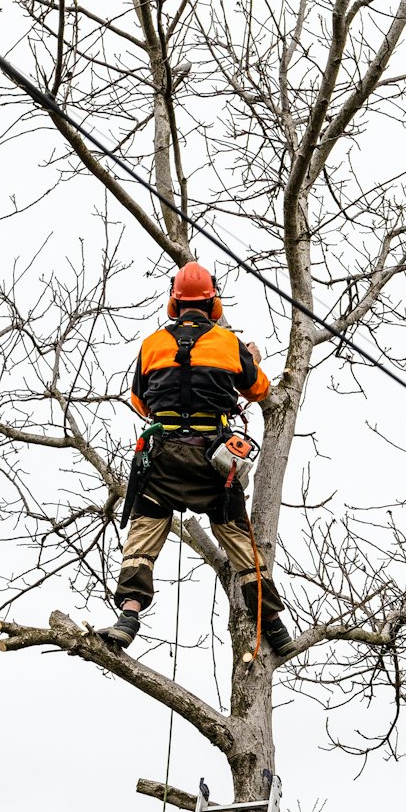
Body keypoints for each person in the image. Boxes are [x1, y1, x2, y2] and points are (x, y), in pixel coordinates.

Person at [99, 261, 294, 656]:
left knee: (145, 531)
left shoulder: (152, 344)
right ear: (213, 302)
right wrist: (250, 359)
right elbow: (259, 389)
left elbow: (140, 402)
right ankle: (273, 625)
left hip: (164, 456)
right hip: (213, 462)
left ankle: (129, 615)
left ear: (175, 303)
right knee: (239, 540)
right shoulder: (228, 343)